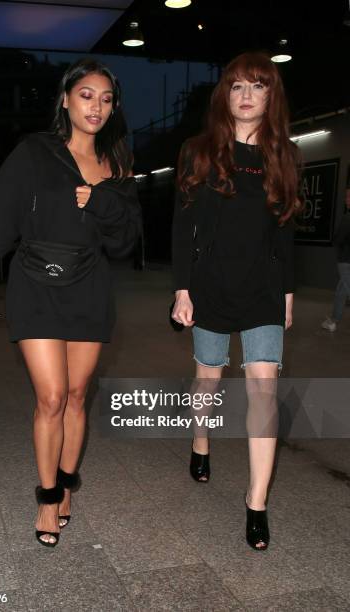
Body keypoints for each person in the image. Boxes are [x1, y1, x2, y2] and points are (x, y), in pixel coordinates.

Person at [0, 58, 141, 548]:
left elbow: (126, 241)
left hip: (89, 287)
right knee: (52, 397)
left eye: (106, 99)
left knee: (79, 397)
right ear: (66, 99)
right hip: (35, 284)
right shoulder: (34, 153)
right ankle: (46, 497)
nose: (96, 107)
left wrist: (100, 199)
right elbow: (2, 219)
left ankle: (66, 486)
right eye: (86, 95)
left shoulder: (119, 162)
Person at [171, 52, 302, 550]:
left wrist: (287, 292)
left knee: (263, 391)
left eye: (258, 86)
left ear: (271, 96)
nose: (246, 96)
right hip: (210, 284)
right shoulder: (198, 150)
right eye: (238, 86)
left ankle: (257, 502)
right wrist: (182, 288)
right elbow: (184, 225)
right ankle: (200, 442)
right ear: (225, 94)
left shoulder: (282, 155)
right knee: (208, 375)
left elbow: (284, 230)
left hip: (263, 287)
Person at [321, 188, 350, 332]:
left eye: (348, 197)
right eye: (346, 196)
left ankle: (333, 321)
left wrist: (336, 241)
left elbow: (338, 239)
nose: (346, 199)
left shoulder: (347, 217)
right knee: (341, 291)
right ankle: (334, 320)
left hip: (346, 260)